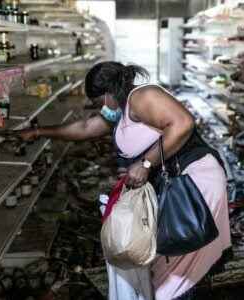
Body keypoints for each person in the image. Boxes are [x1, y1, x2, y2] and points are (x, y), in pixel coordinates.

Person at [17, 61, 231, 300]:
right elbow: (85, 127)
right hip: (176, 184)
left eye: (98, 102)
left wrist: (146, 163)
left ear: (107, 94)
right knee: (171, 267)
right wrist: (37, 132)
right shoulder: (120, 111)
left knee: (178, 266)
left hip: (195, 184)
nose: (100, 109)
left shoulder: (142, 97)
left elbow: (183, 123)